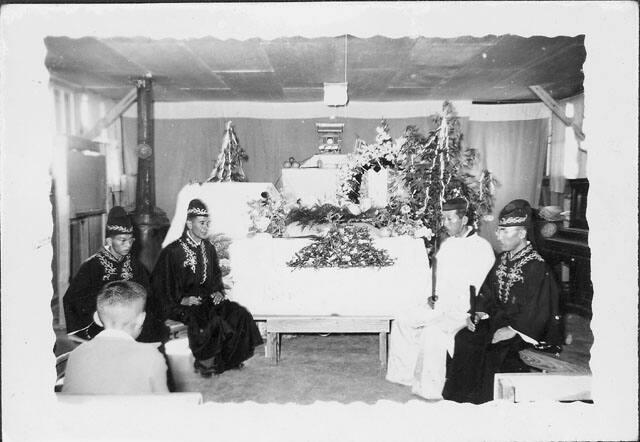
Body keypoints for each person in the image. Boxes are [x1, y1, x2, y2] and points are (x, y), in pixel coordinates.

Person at [442, 199, 562, 404]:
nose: (498, 236)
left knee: (493, 351)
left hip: (527, 330)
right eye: (499, 230)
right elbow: (487, 292)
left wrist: (514, 330)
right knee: (464, 337)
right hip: (498, 320)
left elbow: (539, 311)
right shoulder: (503, 259)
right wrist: (478, 313)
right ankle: (460, 401)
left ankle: (486, 405)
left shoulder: (537, 267)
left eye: (505, 232)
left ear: (522, 234)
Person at [386, 197, 495, 400]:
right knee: (403, 318)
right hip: (438, 303)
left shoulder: (481, 248)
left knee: (432, 332)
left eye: (450, 219)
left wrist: (448, 305)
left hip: (460, 310)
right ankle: (404, 375)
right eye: (443, 218)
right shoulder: (449, 244)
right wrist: (429, 296)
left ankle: (429, 388)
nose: (445, 223)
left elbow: (477, 287)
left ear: (464, 220)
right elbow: (433, 275)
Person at [151, 199, 263, 377]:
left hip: (207, 299)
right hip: (180, 304)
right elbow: (160, 286)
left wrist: (218, 291)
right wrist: (183, 300)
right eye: (201, 223)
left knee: (238, 313)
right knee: (208, 320)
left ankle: (230, 359)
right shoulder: (173, 252)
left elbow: (216, 277)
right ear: (189, 223)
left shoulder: (208, 248)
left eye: (207, 223)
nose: (205, 227)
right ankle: (206, 362)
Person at [63, 206, 167, 343]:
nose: (128, 245)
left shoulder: (136, 266)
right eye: (122, 240)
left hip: (132, 325)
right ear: (109, 241)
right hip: (103, 325)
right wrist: (98, 316)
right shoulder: (92, 266)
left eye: (131, 240)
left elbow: (150, 297)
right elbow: (72, 301)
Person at [62, 280, 169, 394]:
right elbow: (162, 405)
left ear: (97, 318)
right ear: (140, 319)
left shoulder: (77, 354)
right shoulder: (151, 356)